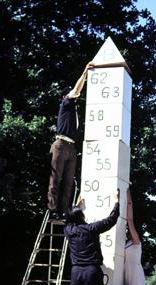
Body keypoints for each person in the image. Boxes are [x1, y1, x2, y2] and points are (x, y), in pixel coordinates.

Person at [47, 61, 94, 219]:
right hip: (60, 144)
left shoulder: (73, 111)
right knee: (56, 179)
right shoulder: (66, 103)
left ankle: (64, 211)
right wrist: (85, 73)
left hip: (71, 147)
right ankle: (52, 209)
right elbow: (77, 89)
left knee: (68, 182)